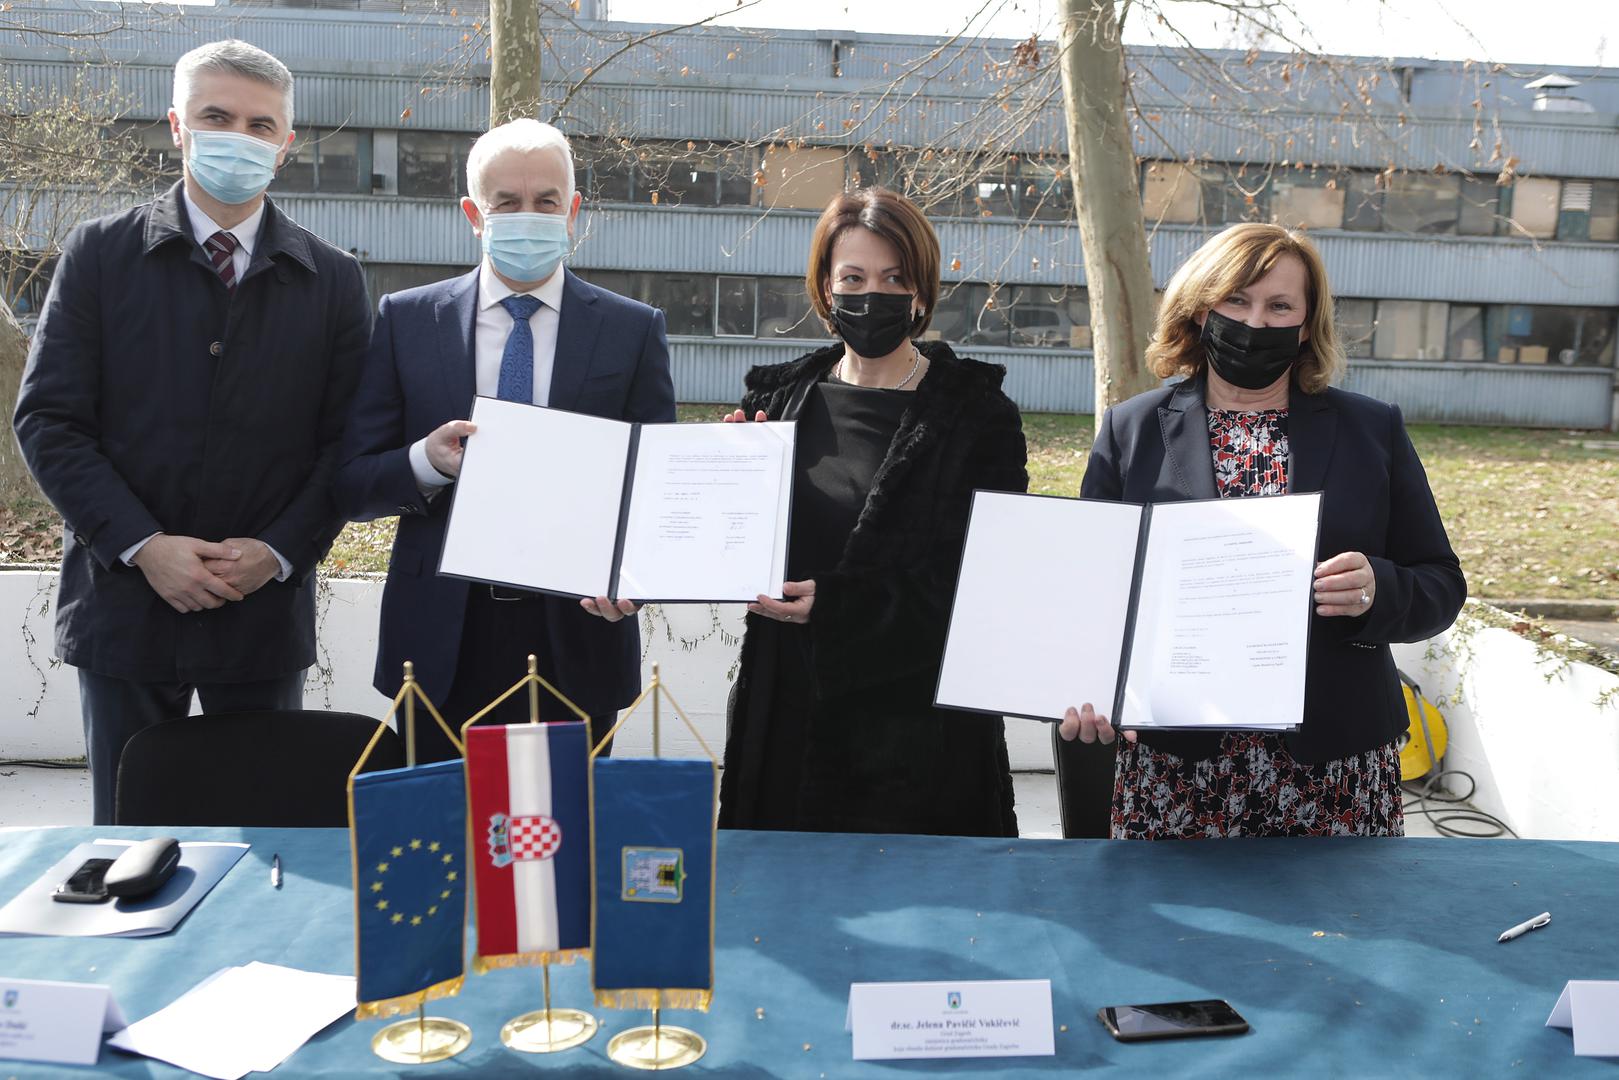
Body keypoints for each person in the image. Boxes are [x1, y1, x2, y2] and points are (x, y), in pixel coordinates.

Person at [586, 187, 1027, 836]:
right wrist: (642, 573)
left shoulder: (977, 414)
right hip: (786, 717)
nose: (872, 295)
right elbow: (718, 546)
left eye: (894, 278)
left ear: (922, 291)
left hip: (918, 740)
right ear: (825, 289)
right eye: (853, 278)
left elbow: (985, 585)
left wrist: (841, 607)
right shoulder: (777, 403)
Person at [12, 40, 372, 824]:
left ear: (285, 143)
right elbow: (50, 420)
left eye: (259, 124)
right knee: (129, 846)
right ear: (178, 126)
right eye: (217, 116)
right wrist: (145, 546)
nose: (238, 137)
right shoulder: (99, 255)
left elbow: (345, 446)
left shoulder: (334, 281)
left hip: (260, 613)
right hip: (125, 607)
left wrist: (277, 551)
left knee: (266, 837)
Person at [1057, 222, 1466, 840]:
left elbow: (1441, 584)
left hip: (1335, 765)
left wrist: (1377, 590)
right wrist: (1089, 688)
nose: (1255, 322)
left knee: (1340, 907)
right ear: (1200, 309)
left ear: (1306, 324)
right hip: (1177, 765)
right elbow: (1093, 594)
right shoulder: (1131, 429)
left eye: (1279, 306)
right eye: (1236, 300)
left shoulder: (1371, 429)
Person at [334, 119, 674, 762]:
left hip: (579, 634)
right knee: (444, 821)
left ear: (572, 211)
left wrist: (635, 579)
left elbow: (656, 488)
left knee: (566, 822)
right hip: (441, 639)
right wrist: (426, 463)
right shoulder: (408, 320)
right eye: (507, 202)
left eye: (546, 201)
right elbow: (352, 482)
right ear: (473, 214)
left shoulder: (632, 330)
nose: (529, 216)